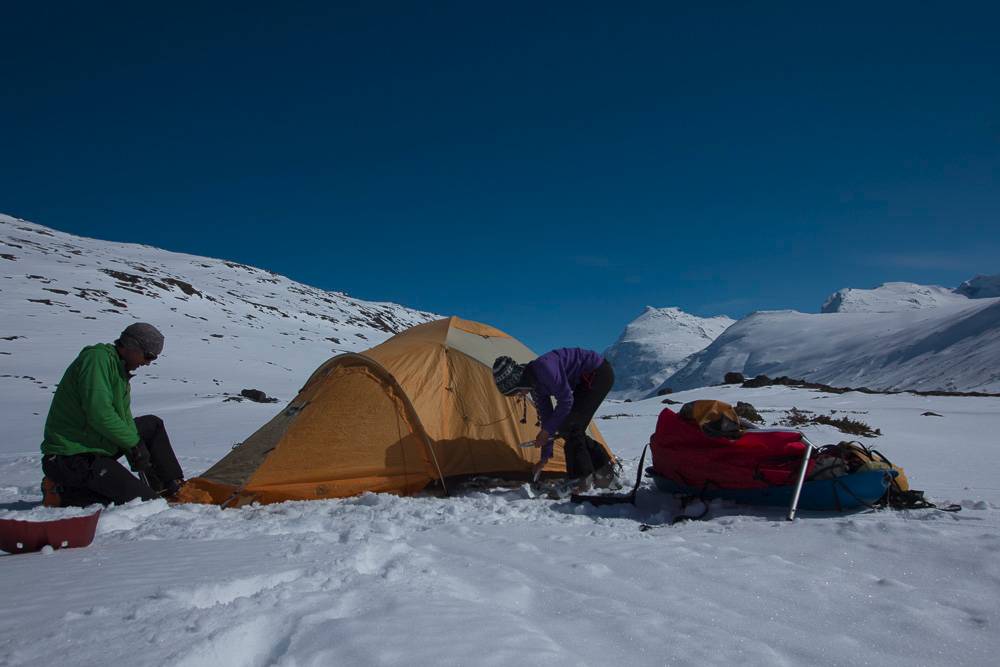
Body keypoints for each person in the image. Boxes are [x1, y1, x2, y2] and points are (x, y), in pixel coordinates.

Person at [40, 323, 185, 507]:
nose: (147, 362)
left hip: (94, 444)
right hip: (71, 456)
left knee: (151, 425)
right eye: (148, 356)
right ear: (132, 346)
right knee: (143, 503)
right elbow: (99, 414)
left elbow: (123, 418)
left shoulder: (119, 369)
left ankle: (169, 485)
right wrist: (132, 443)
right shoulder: (96, 360)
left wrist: (136, 447)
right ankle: (60, 490)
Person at [492, 349, 616, 490]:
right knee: (569, 428)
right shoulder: (535, 386)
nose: (520, 395)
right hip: (585, 381)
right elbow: (547, 418)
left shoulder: (543, 368)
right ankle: (604, 473)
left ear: (518, 381)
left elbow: (566, 401)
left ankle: (581, 479)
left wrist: (546, 431)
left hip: (598, 373)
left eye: (517, 391)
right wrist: (544, 458)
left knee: (570, 426)